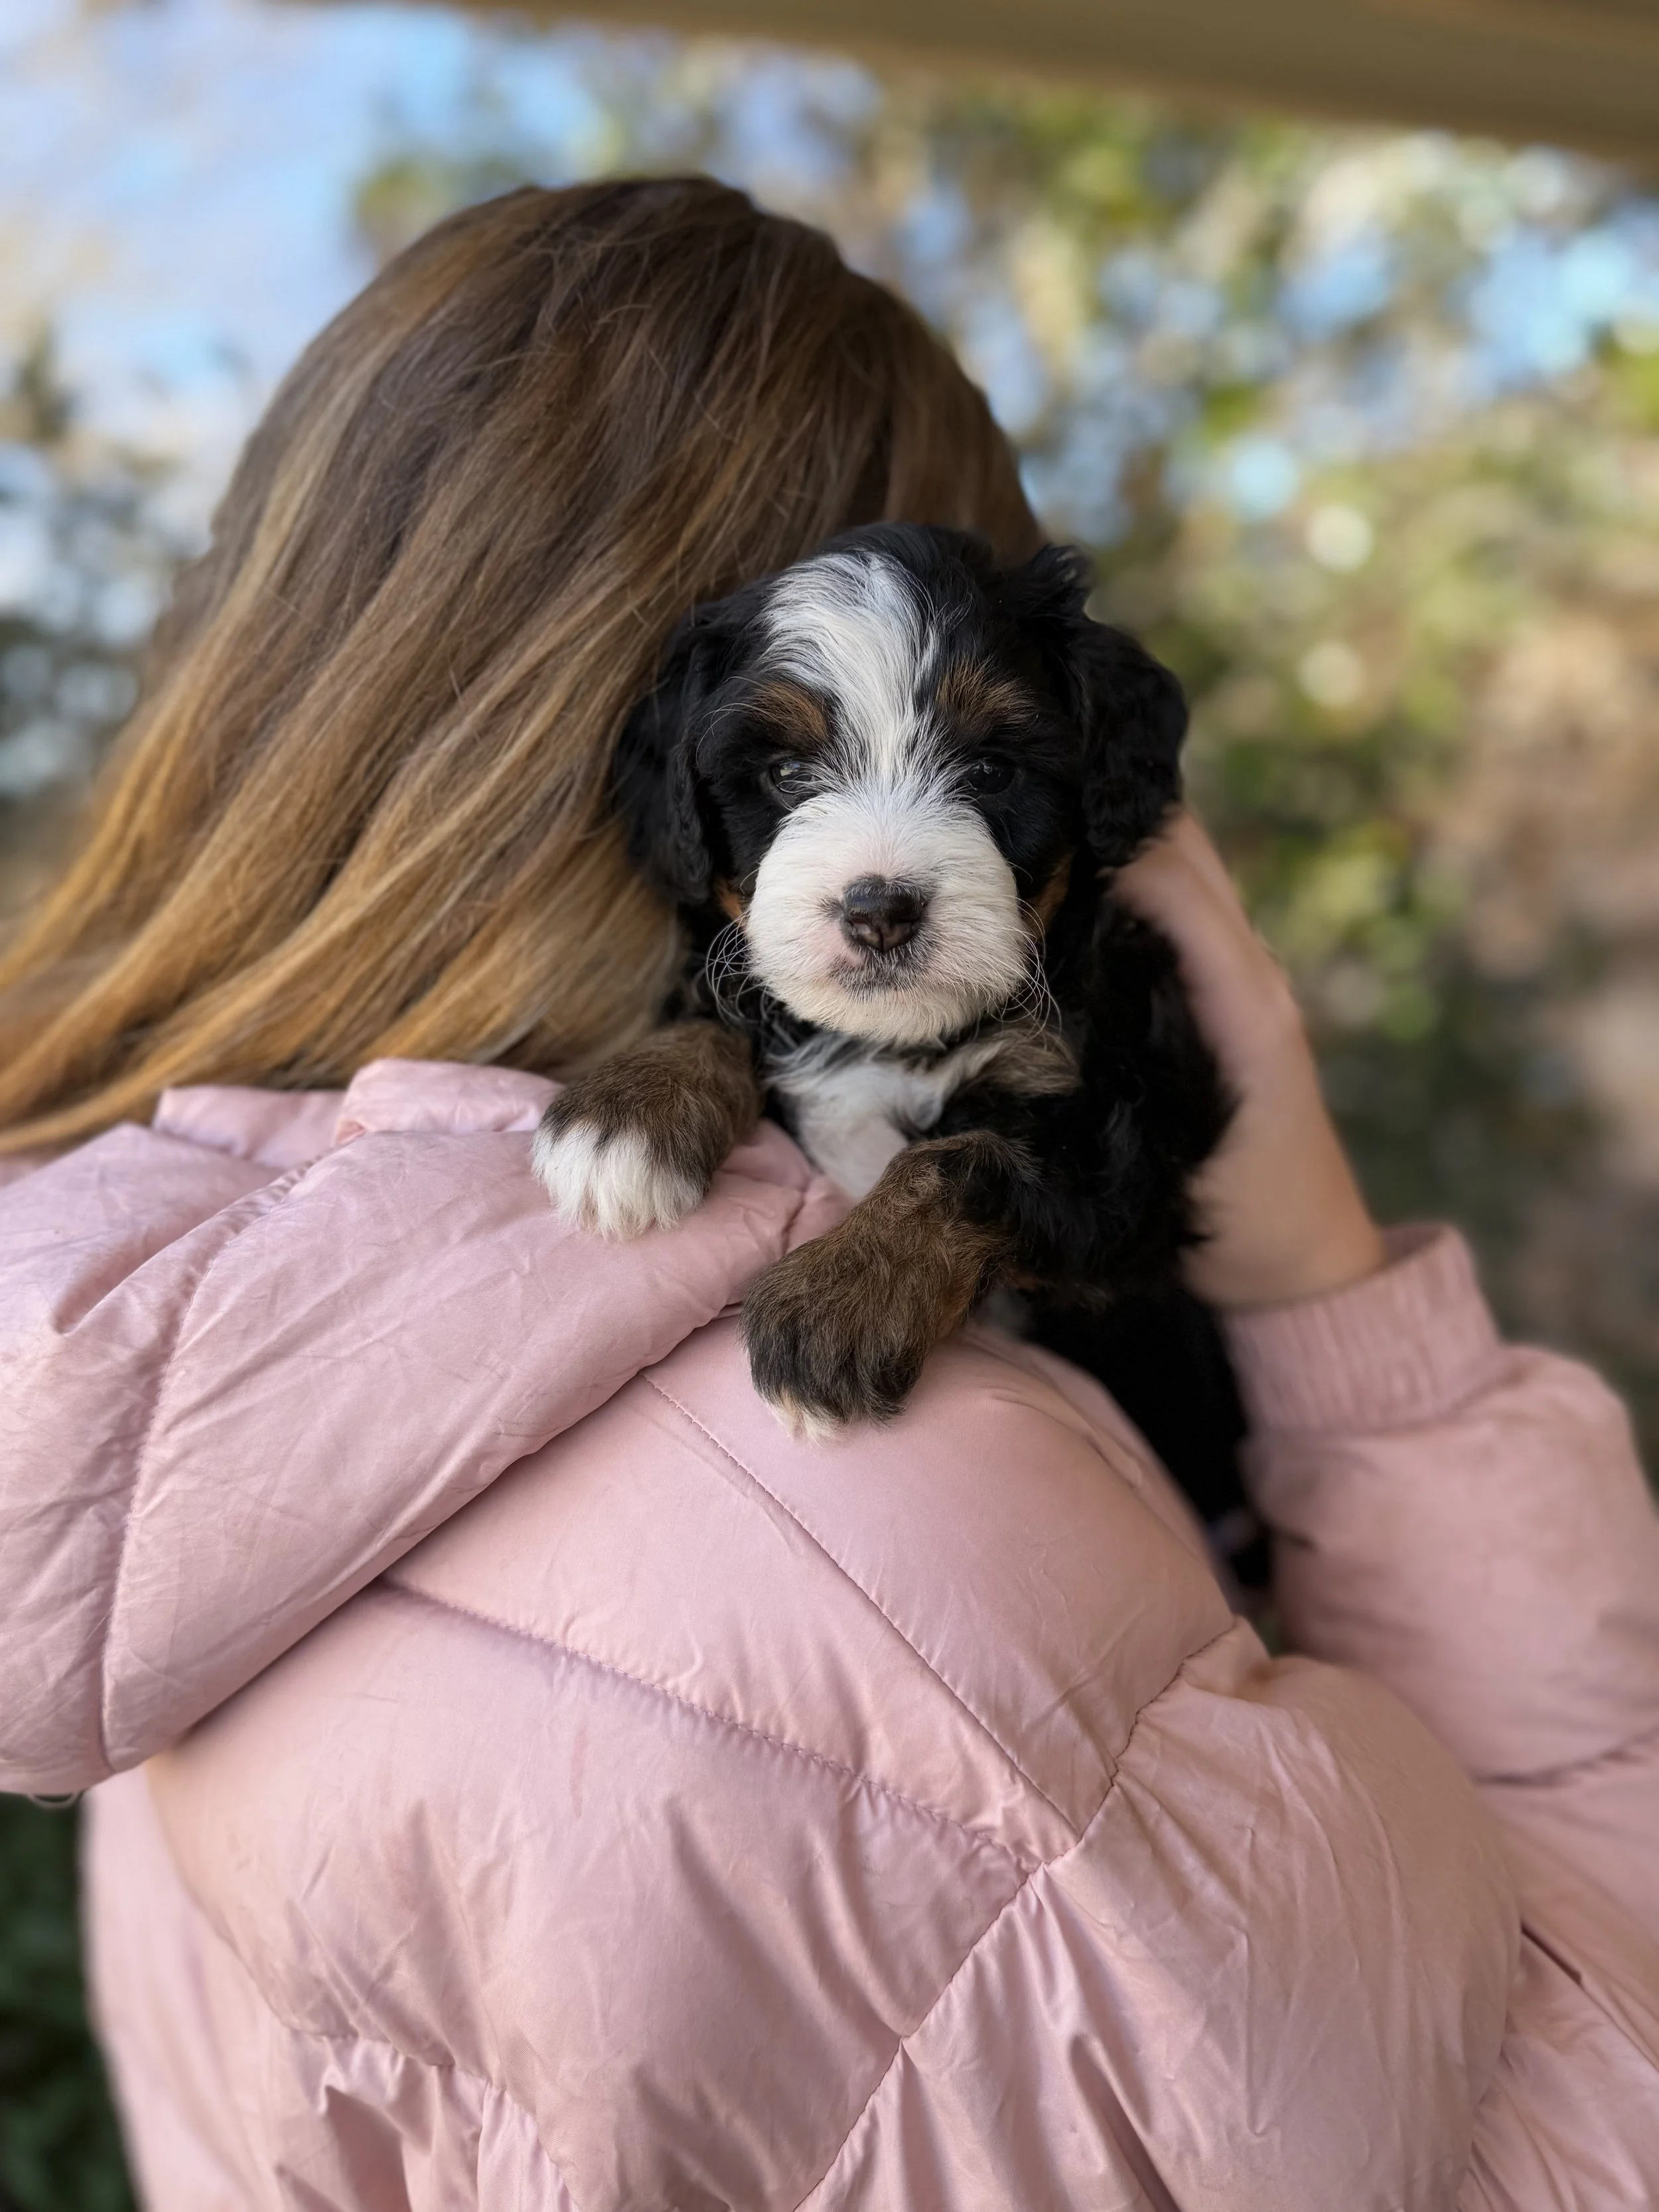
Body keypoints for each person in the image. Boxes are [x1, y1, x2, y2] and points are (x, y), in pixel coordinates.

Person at [1, 178, 1656, 2212]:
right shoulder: (917, 1590)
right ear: (662, 773)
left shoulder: (172, 1420)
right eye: (795, 767)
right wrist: (1343, 1314)